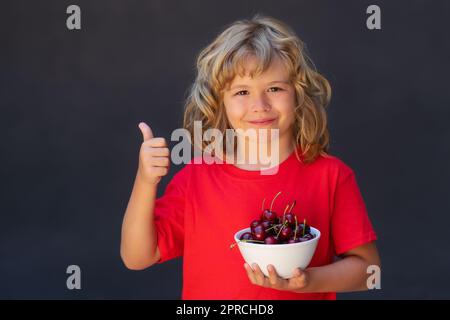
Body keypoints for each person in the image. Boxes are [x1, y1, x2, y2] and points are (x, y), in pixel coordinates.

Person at [120, 14, 380, 300]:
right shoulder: (196, 178)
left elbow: (368, 272)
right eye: (242, 92)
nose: (260, 105)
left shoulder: (331, 176)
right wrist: (145, 181)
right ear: (220, 103)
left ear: (298, 94)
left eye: (274, 88)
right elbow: (137, 257)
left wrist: (308, 281)